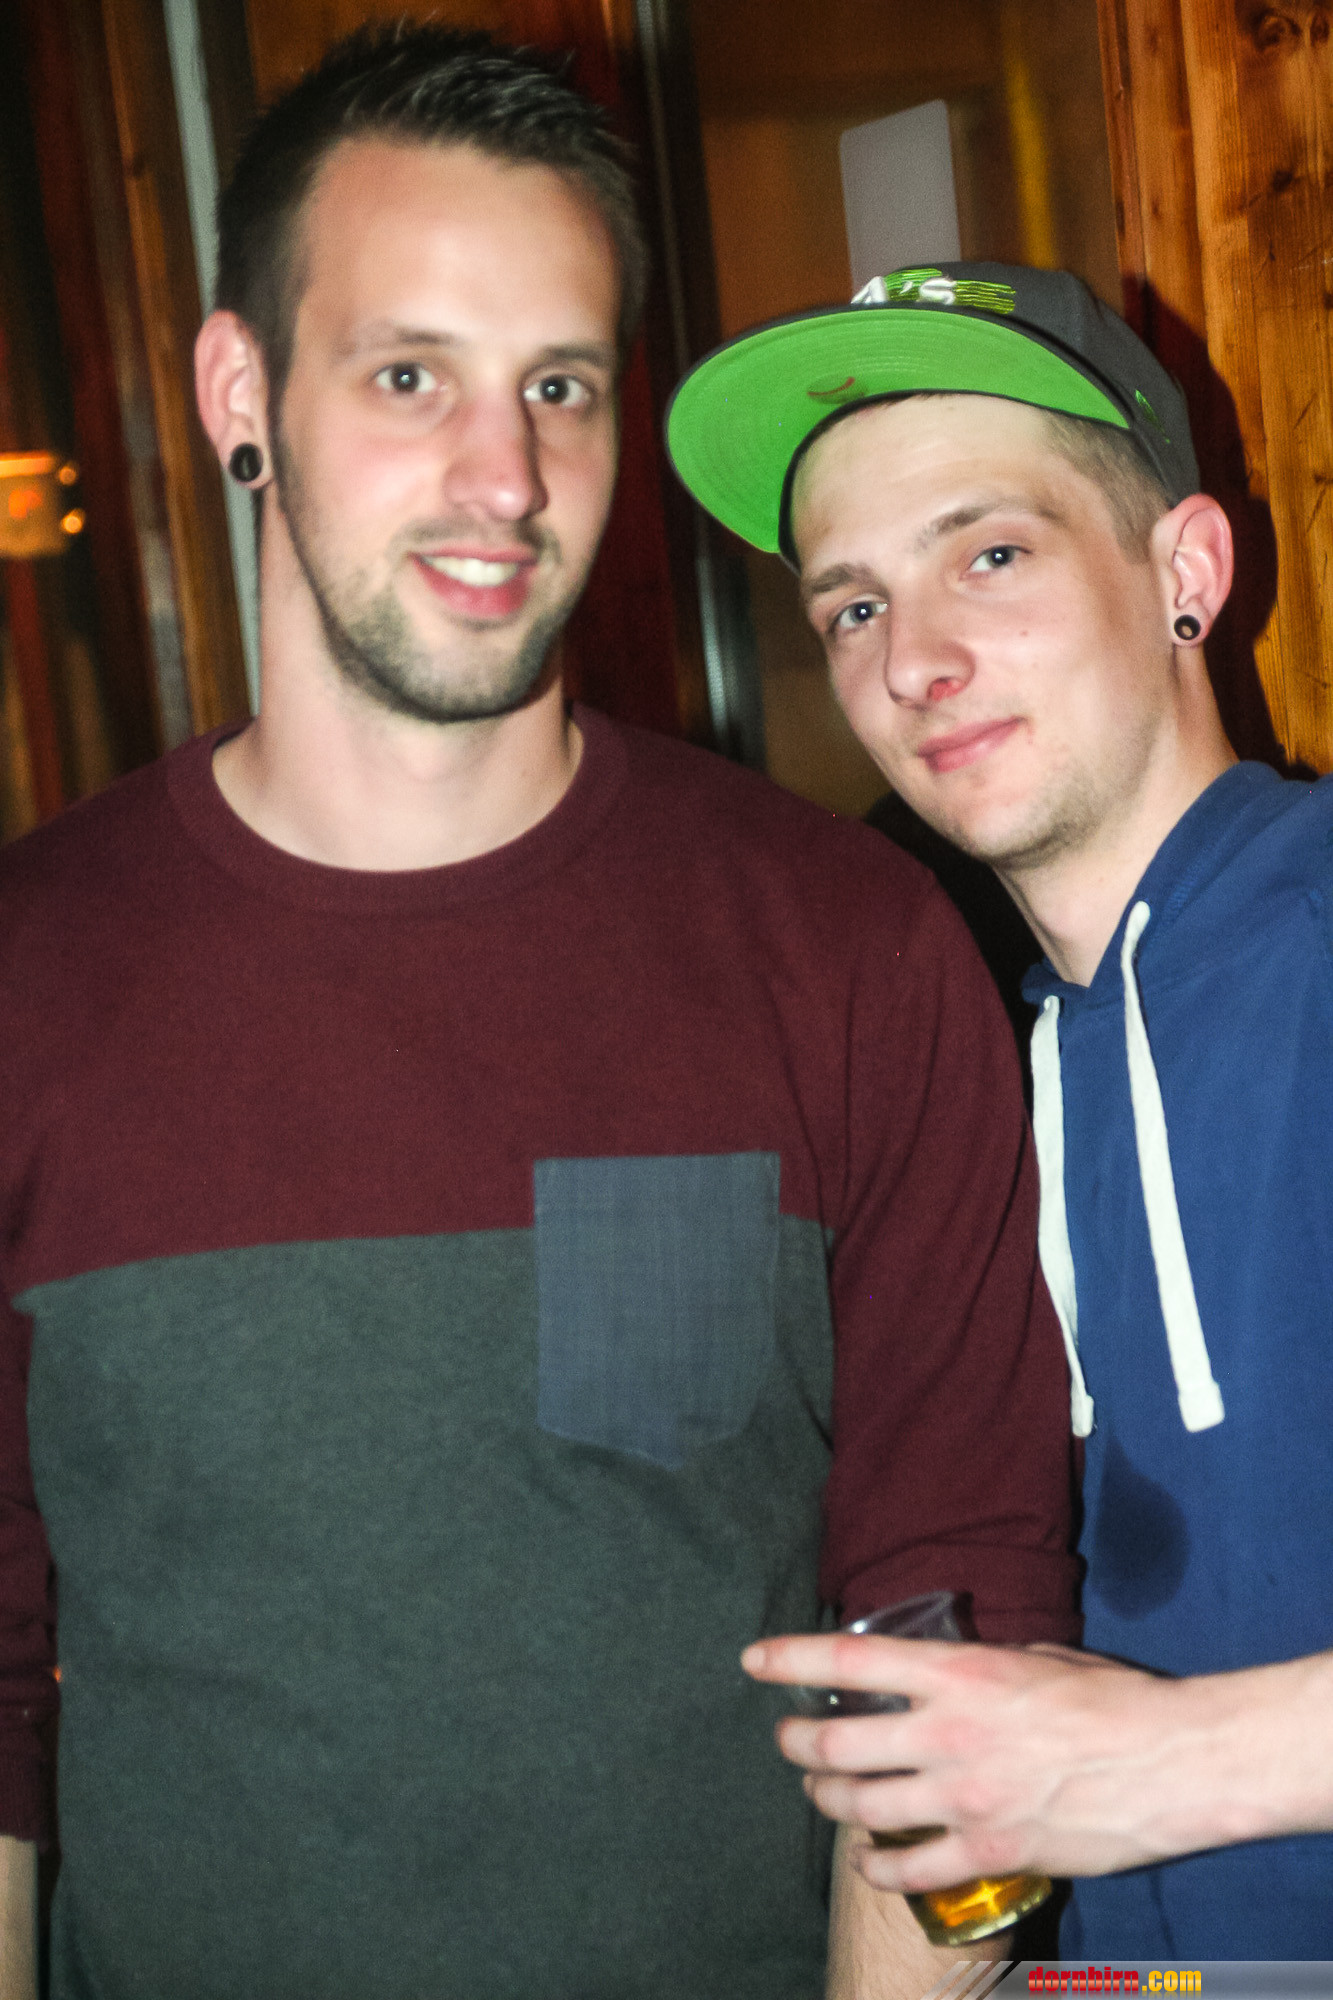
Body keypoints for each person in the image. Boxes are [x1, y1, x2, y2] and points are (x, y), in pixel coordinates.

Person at [0, 47, 1080, 1999]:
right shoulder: (31, 973)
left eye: (558, 387)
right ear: (242, 394)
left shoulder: (846, 944)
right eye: (409, 376)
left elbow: (956, 1620)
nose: (503, 478)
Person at [667, 260, 1333, 1957]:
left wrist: (1177, 1764)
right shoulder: (972, 1071)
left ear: (1183, 573)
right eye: (852, 608)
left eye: (989, 555)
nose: (916, 661)